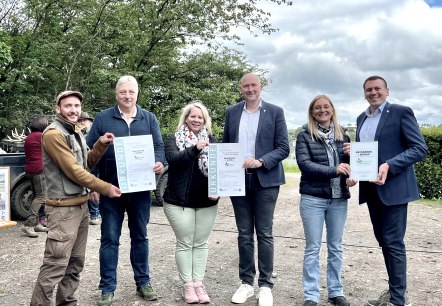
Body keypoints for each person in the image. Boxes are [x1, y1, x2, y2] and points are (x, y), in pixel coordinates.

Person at [30, 90, 122, 306]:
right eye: (68, 106)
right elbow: (73, 171)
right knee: (55, 265)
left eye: (76, 106)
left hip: (80, 207)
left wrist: (100, 144)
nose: (73, 110)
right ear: (58, 109)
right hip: (62, 211)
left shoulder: (76, 132)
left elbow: (86, 164)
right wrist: (105, 187)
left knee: (75, 263)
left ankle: (67, 302)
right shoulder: (54, 134)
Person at [346, 76, 427, 306]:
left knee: (393, 242)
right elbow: (368, 154)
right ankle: (395, 292)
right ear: (364, 93)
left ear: (387, 91)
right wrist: (355, 160)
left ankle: (399, 300)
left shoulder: (401, 112)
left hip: (395, 190)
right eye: (369, 89)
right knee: (384, 241)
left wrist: (389, 165)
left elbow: (419, 148)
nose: (373, 92)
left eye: (377, 89)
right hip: (372, 191)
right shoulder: (361, 118)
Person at [87, 75, 166, 306]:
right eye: (123, 92)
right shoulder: (103, 118)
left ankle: (143, 282)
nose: (128, 96)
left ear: (137, 93)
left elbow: (159, 146)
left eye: (132, 92)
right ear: (116, 94)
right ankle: (107, 288)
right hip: (111, 190)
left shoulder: (148, 118)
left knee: (140, 236)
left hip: (141, 191)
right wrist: (92, 183)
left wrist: (160, 162)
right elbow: (88, 152)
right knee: (110, 239)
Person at [223, 72, 290, 306]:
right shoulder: (231, 112)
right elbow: (226, 147)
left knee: (264, 233)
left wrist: (261, 161)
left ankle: (265, 285)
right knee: (243, 233)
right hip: (238, 181)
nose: (250, 89)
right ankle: (246, 283)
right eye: (245, 86)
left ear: (260, 87)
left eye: (254, 85)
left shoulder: (275, 112)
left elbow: (283, 148)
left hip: (266, 180)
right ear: (241, 88)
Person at [295, 95, 352, 306]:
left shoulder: (343, 135)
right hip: (313, 198)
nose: (322, 110)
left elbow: (347, 165)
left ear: (332, 110)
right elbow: (305, 164)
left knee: (336, 247)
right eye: (317, 108)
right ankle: (311, 295)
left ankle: (336, 292)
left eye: (326, 107)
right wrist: (334, 170)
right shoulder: (304, 136)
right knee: (313, 247)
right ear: (312, 112)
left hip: (338, 199)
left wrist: (351, 175)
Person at [163, 101, 220, 304]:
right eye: (192, 116)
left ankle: (198, 283)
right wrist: (195, 149)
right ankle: (188, 285)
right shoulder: (174, 139)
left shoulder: (212, 140)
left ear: (205, 120)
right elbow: (174, 160)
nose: (196, 120)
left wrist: (218, 191)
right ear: (186, 118)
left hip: (207, 202)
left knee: (201, 243)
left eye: (200, 117)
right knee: (185, 243)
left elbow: (218, 171)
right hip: (179, 202)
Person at [22, 115, 50, 238]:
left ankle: (37, 223)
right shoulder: (41, 136)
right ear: (42, 125)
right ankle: (28, 225)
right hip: (39, 170)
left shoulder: (29, 137)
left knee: (36, 196)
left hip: (30, 170)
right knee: (41, 197)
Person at [78, 111, 100, 225]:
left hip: (91, 164)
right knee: (92, 187)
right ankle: (95, 214)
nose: (89, 123)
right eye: (87, 121)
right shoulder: (84, 134)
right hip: (90, 165)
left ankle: (95, 213)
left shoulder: (84, 133)